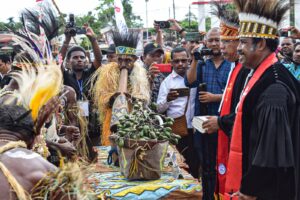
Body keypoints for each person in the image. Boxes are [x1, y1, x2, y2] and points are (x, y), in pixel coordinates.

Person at [224, 0, 300, 199]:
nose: (238, 48)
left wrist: (251, 188)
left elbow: (271, 149)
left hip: (271, 190)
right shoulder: (266, 74)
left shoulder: (274, 86)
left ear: (262, 44)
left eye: (243, 42)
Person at [200, 3, 250, 197]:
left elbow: (245, 114)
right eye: (220, 41)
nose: (221, 47)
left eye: (226, 42)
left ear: (240, 42)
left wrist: (220, 122)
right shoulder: (236, 67)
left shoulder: (245, 70)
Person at [185, 27, 231, 200]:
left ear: (224, 42)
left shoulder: (232, 64)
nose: (214, 43)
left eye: (218, 40)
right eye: (211, 40)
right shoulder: (202, 63)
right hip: (200, 121)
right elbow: (189, 82)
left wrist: (215, 97)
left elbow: (236, 95)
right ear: (205, 43)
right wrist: (194, 59)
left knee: (222, 162)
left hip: (222, 121)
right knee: (205, 164)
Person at [93, 30, 150, 146]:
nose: (123, 64)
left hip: (135, 122)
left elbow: (144, 99)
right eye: (120, 60)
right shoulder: (108, 73)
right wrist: (112, 98)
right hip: (112, 121)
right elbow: (102, 98)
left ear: (134, 59)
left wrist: (133, 99)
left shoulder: (140, 74)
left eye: (128, 60)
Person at [156, 47, 199, 177]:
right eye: (177, 61)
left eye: (183, 60)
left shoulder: (196, 76)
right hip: (177, 131)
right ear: (172, 63)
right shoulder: (167, 82)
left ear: (189, 61)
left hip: (196, 129)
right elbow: (159, 108)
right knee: (179, 164)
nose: (180, 64)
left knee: (195, 164)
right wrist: (168, 99)